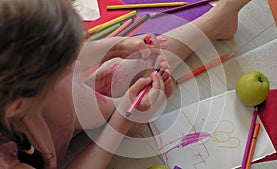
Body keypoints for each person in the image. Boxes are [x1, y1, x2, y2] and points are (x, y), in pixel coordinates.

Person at [0, 0, 250, 169]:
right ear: (20, 104)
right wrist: (122, 120)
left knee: (143, 61)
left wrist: (117, 47)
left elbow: (71, 55)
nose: (75, 61)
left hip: (51, 113)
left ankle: (215, 24)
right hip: (43, 144)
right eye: (66, 65)